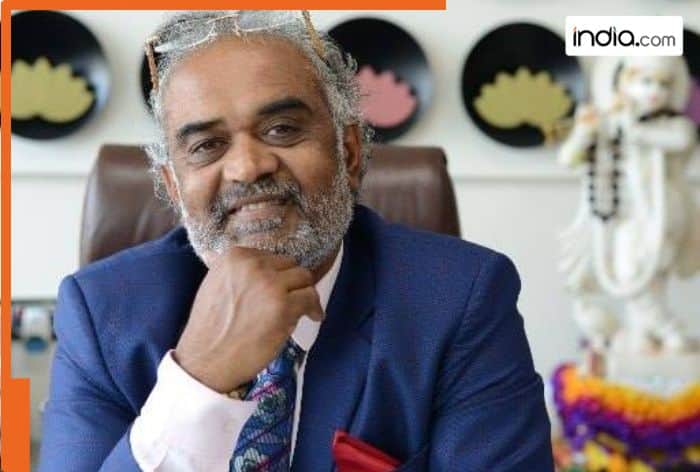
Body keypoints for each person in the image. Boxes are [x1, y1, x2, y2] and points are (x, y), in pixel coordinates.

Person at [38, 10, 554, 471]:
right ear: (174, 187)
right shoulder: (103, 314)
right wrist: (199, 380)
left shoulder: (460, 299)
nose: (247, 167)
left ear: (349, 152)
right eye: (208, 145)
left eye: (282, 129)